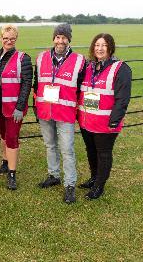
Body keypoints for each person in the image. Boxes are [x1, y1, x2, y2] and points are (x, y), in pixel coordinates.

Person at [34, 23, 86, 204]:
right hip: (45, 111)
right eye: (58, 37)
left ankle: (70, 185)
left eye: (64, 37)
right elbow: (36, 84)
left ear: (69, 39)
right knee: (50, 145)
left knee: (67, 150)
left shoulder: (80, 60)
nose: (60, 41)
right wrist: (36, 108)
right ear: (53, 38)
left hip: (65, 112)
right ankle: (53, 175)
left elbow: (82, 88)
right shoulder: (41, 58)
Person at [77, 33, 131, 200]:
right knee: (91, 151)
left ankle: (99, 186)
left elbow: (122, 98)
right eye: (97, 45)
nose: (99, 48)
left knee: (104, 153)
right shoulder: (88, 67)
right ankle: (94, 178)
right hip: (87, 121)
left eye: (104, 45)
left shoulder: (120, 68)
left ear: (110, 47)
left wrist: (115, 120)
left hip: (106, 123)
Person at [0, 25, 32, 190]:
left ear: (16, 39)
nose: (8, 41)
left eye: (12, 38)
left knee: (12, 138)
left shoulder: (23, 59)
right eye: (6, 38)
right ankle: (5, 163)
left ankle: (12, 174)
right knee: (4, 136)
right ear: (1, 38)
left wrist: (20, 107)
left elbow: (27, 84)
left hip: (14, 108)